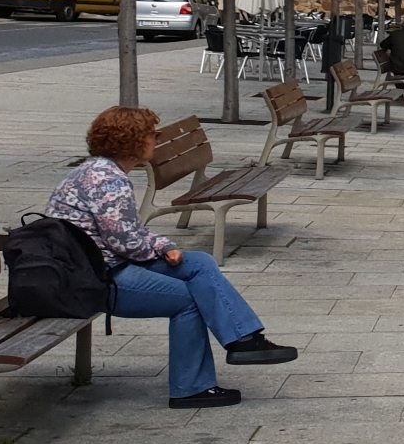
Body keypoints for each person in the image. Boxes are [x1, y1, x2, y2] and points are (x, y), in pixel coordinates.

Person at [47, 106, 297, 409]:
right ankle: (190, 389)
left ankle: (244, 341)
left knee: (200, 263)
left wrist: (163, 246)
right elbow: (124, 242)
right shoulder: (107, 180)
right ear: (133, 140)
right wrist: (156, 249)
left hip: (103, 264)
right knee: (188, 299)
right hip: (93, 278)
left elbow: (129, 230)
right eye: (152, 134)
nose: (156, 139)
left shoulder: (102, 171)